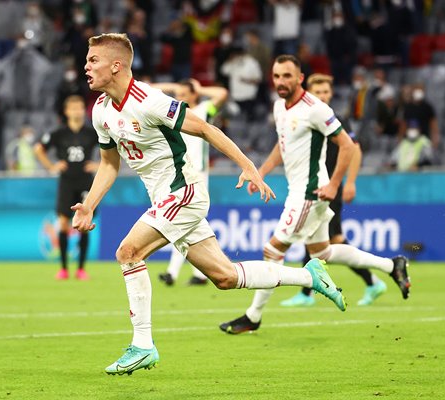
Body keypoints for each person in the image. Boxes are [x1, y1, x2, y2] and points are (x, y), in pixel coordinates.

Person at [74, 33, 347, 376]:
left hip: (184, 192)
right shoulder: (101, 110)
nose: (86, 66)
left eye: (93, 60)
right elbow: (109, 164)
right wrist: (89, 204)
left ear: (116, 66)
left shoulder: (149, 101)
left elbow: (204, 128)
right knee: (225, 277)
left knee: (128, 252)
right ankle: (308, 276)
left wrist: (247, 165)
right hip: (164, 199)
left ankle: (143, 345)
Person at [219, 55, 411, 336]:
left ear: (300, 78)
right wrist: (260, 172)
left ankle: (253, 315)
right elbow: (282, 146)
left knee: (272, 250)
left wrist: (334, 185)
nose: (281, 82)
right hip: (300, 192)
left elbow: (347, 146)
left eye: (287, 76)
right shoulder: (278, 107)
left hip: (311, 193)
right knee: (324, 252)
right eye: (276, 76)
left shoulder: (315, 109)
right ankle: (391, 265)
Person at [279, 73, 388, 308]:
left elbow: (354, 150)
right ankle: (371, 281)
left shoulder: (336, 119)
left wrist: (350, 182)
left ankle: (371, 281)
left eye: (327, 92)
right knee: (322, 239)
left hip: (330, 188)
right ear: (309, 92)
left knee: (325, 239)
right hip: (315, 188)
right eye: (319, 92)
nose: (324, 96)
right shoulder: (302, 116)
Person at [150, 78, 228, 286]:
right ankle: (199, 274)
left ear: (194, 95)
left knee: (184, 221)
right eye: (178, 95)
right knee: (190, 222)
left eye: (185, 94)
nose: (180, 98)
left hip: (198, 174)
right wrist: (172, 87)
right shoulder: (173, 113)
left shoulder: (203, 110)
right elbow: (148, 91)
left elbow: (222, 93)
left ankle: (174, 273)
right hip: (179, 173)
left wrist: (200, 87)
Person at [35, 95, 99, 281]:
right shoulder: (58, 133)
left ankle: (81, 269)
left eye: (80, 107)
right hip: (66, 182)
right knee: (63, 224)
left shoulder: (91, 133)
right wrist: (51, 166)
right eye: (73, 108)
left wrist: (97, 165)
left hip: (85, 182)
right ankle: (63, 268)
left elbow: (111, 149)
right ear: (66, 111)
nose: (77, 111)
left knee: (85, 225)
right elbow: (39, 149)